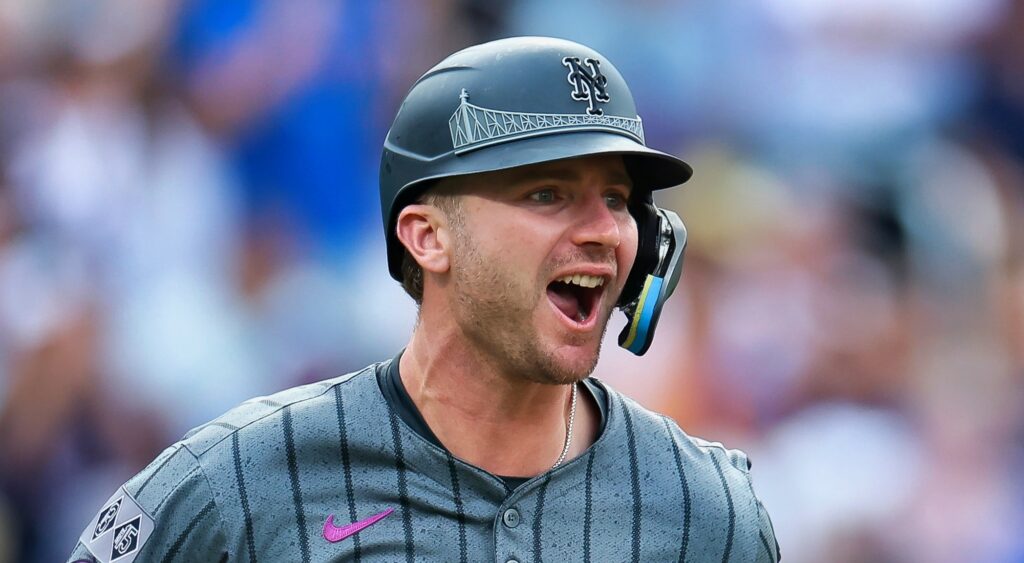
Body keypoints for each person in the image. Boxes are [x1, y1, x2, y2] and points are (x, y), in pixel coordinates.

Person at [68, 36, 779, 563]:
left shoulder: (706, 508)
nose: (601, 231)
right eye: (548, 193)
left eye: (618, 199)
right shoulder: (241, 477)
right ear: (427, 237)